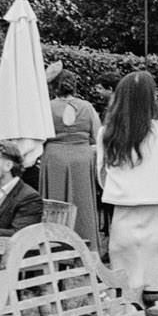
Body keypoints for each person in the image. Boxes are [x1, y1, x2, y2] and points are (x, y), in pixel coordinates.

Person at [97, 70, 158, 288]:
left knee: (125, 289)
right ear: (152, 98)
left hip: (123, 219)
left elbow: (102, 178)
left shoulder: (107, 133)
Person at [42, 69, 103, 253]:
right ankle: (85, 246)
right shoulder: (87, 107)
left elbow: (40, 136)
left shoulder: (46, 107)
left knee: (54, 202)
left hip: (54, 157)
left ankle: (54, 246)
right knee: (83, 203)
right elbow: (98, 134)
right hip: (82, 158)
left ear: (54, 87)